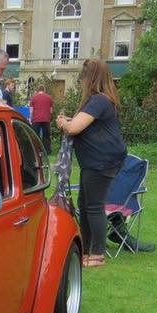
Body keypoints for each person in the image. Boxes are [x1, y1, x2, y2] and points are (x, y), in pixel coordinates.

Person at [56, 59, 127, 267]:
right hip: (95, 161)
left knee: (94, 206)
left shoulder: (99, 100)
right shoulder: (101, 100)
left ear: (91, 78)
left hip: (101, 162)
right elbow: (85, 125)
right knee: (84, 205)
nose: (81, 80)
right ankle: (86, 249)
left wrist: (63, 123)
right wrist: (70, 121)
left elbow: (74, 128)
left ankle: (97, 254)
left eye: (83, 76)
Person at [30, 85, 53, 153]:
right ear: (44, 90)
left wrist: (30, 118)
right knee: (46, 136)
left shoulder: (34, 98)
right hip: (46, 119)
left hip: (36, 119)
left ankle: (36, 150)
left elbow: (31, 110)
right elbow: (51, 111)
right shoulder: (49, 97)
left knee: (36, 135)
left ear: (38, 90)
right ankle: (47, 151)